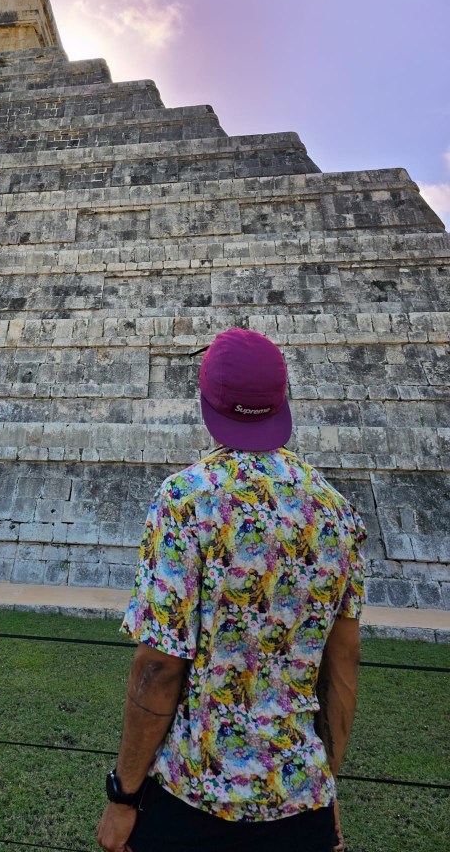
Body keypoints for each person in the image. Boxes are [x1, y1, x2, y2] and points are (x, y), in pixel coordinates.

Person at [96, 328, 366, 852]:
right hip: (301, 805)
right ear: (282, 400)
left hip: (193, 803)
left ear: (208, 401)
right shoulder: (336, 511)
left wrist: (122, 797)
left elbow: (159, 668)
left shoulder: (185, 501)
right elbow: (344, 661)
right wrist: (323, 783)